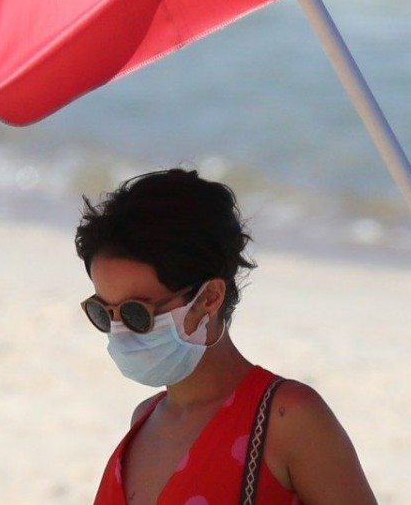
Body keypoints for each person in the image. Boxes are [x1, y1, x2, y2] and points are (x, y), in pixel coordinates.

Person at [77, 169, 377, 505]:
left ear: (209, 298)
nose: (119, 332)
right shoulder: (145, 420)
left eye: (136, 314)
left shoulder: (287, 419)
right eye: (103, 313)